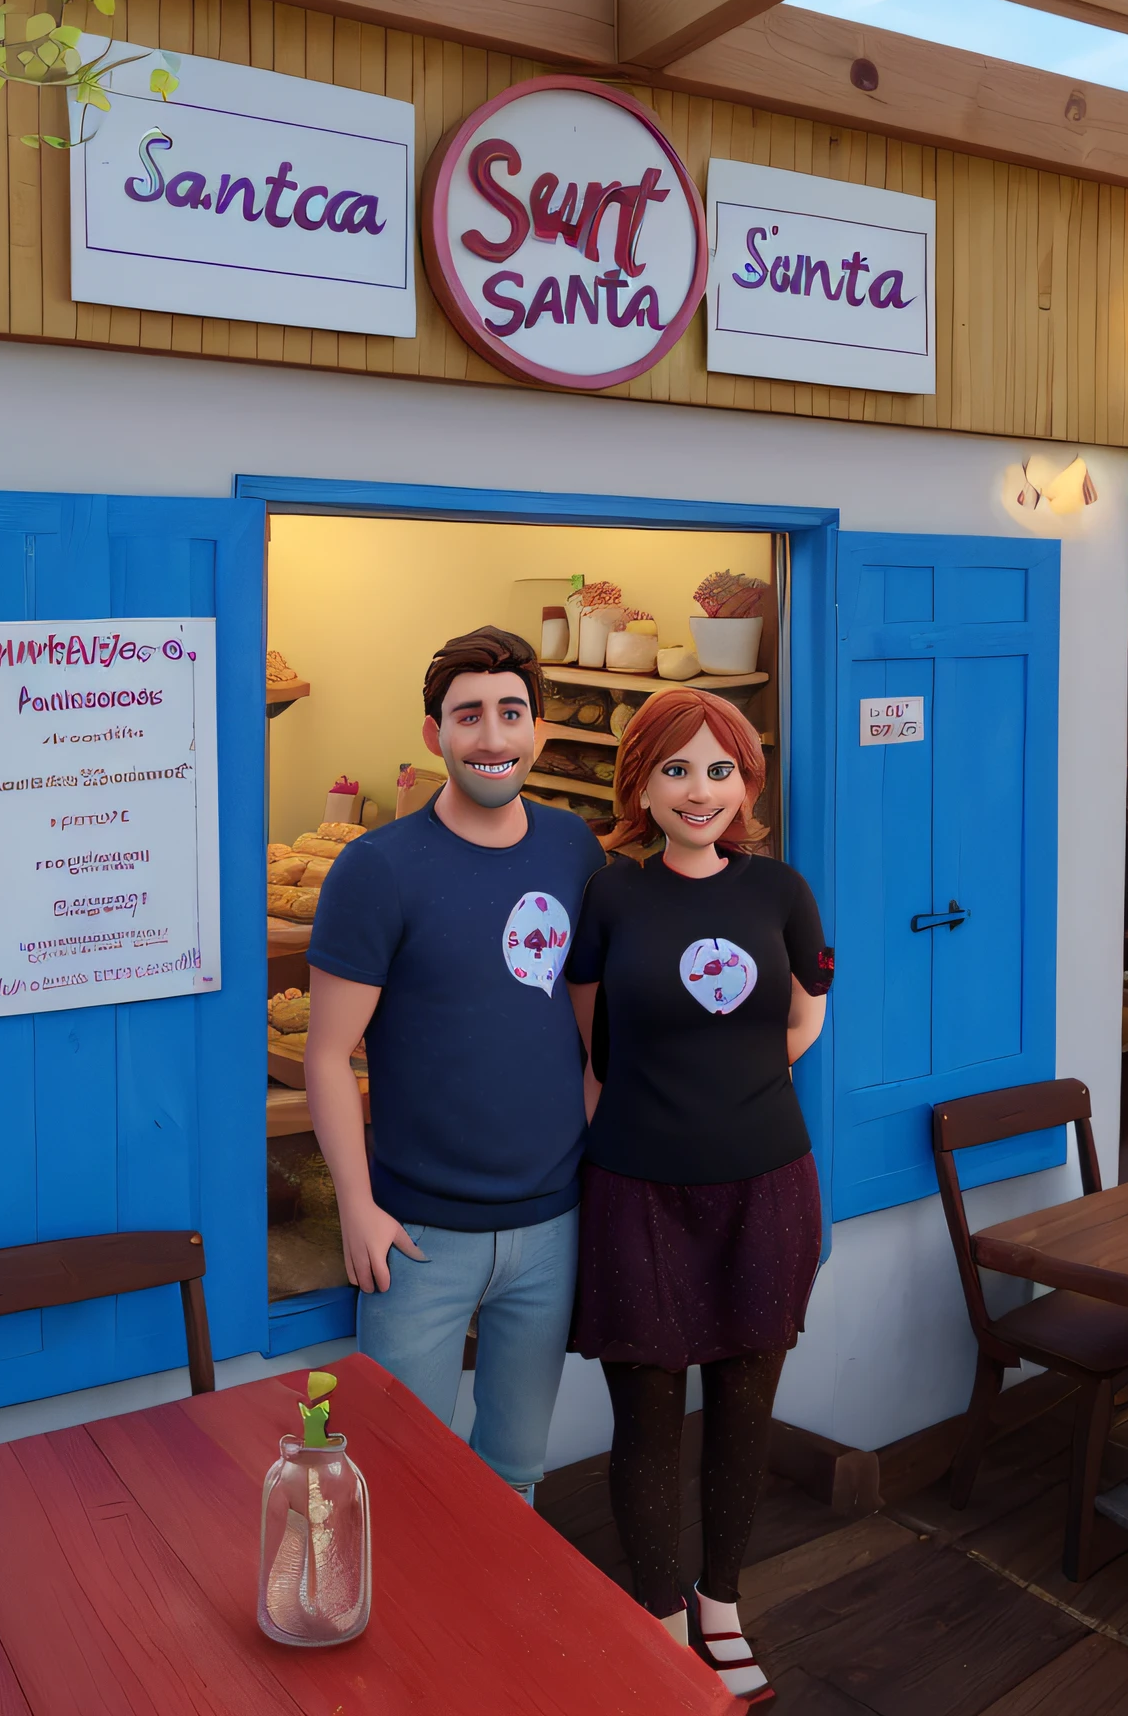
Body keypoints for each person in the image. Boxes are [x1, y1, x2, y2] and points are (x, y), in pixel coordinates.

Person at [565, 685, 831, 1707]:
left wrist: (739, 1084)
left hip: (767, 1181)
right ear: (640, 781)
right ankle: (661, 1612)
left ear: (747, 783)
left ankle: (722, 1601)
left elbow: (804, 1015)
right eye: (675, 767)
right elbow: (590, 1036)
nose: (699, 789)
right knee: (645, 1411)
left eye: (720, 768)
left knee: (743, 1408)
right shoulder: (613, 895)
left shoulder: (780, 890)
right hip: (635, 1185)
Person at [305, 625, 605, 1497]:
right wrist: (357, 1208)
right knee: (393, 1477)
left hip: (553, 1227)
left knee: (515, 1469)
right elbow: (327, 1055)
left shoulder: (573, 851)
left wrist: (575, 1150)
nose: (493, 736)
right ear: (435, 734)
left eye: (513, 713)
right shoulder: (376, 869)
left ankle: (494, 1637)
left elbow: (596, 1029)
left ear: (540, 731)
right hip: (418, 1237)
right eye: (468, 715)